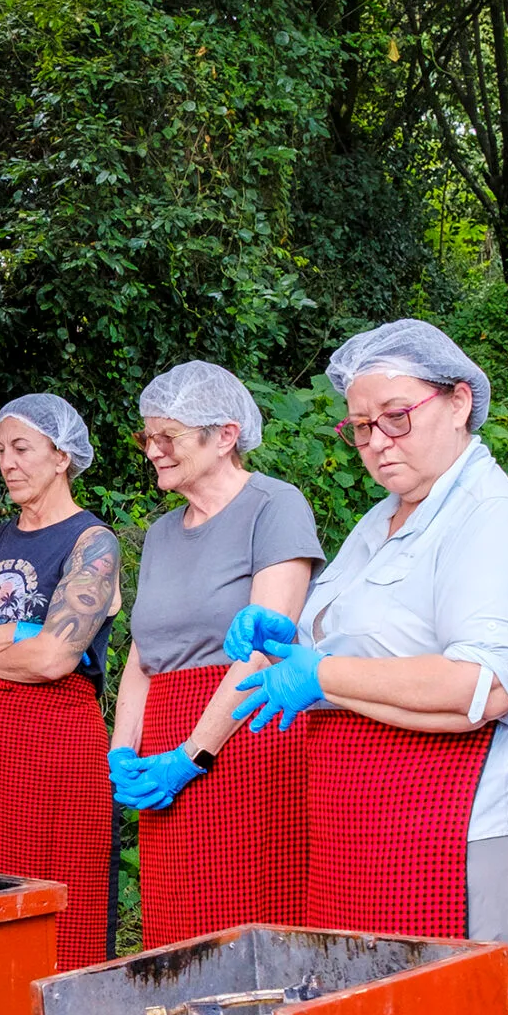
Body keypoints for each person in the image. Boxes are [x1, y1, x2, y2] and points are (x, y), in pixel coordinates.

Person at [228, 323, 508, 944]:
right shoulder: (380, 519)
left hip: (454, 809)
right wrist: (294, 646)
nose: (377, 442)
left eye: (396, 417)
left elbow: (484, 688)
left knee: (433, 1010)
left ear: (459, 401)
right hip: (360, 801)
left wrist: (320, 674)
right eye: (360, 427)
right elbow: (364, 645)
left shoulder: (494, 516)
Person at [112, 361, 325, 947]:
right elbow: (144, 650)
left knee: (246, 921)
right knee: (175, 926)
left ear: (225, 435)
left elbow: (262, 651)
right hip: (166, 736)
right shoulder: (159, 533)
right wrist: (122, 750)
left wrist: (192, 756)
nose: (153, 450)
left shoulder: (274, 506)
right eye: (147, 437)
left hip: (248, 732)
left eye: (168, 436)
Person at [0, 395, 121, 967]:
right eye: (1, 450)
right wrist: (17, 631)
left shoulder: (92, 542)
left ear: (61, 456)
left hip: (60, 740)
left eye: (22, 448)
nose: (8, 463)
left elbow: (54, 660)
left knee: (63, 894)